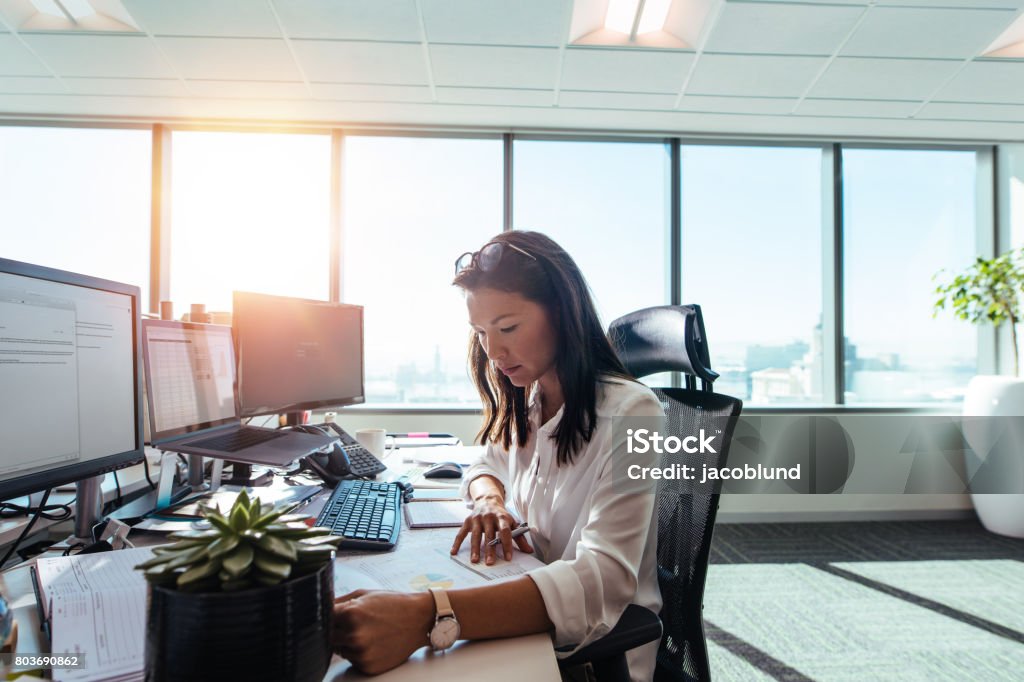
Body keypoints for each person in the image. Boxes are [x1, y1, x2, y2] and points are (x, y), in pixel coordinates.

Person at [332, 231, 664, 680]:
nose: (494, 351)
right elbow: (486, 465)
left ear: (563, 315)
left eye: (508, 328)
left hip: (589, 652)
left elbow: (602, 578)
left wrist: (426, 616)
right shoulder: (530, 399)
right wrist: (489, 501)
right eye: (481, 333)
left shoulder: (632, 413)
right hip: (526, 600)